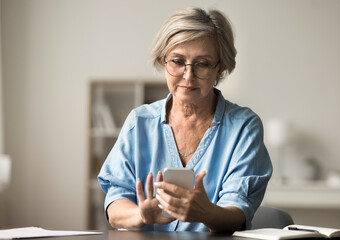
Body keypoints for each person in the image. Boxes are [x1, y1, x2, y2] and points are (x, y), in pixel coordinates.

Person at [98, 7, 272, 232]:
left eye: (203, 63)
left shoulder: (243, 128)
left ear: (220, 68)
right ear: (164, 62)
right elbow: (115, 206)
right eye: (178, 61)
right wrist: (140, 214)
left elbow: (237, 214)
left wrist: (205, 212)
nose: (188, 76)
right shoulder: (139, 122)